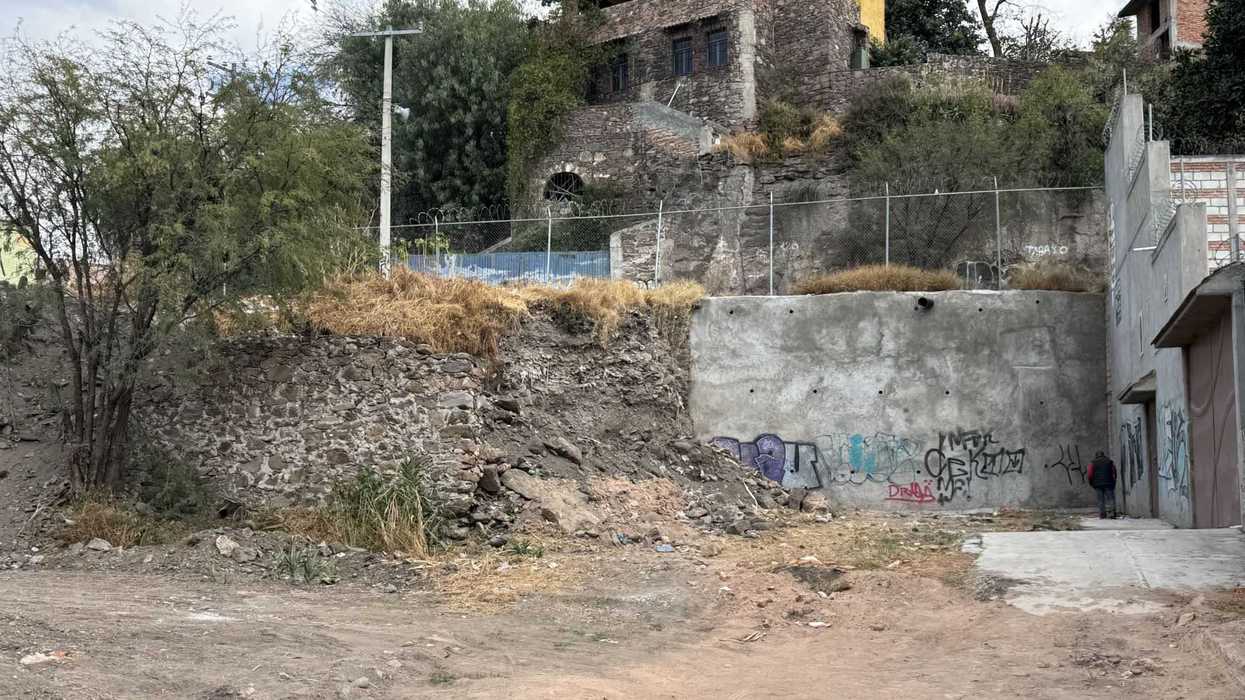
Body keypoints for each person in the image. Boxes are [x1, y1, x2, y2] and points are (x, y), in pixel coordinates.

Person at [1087, 451, 1118, 519]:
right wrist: (1114, 480)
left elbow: (1089, 474)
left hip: (1097, 484)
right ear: (1103, 455)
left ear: (1096, 456)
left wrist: (1091, 482)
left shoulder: (1093, 463)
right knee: (1110, 499)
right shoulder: (1110, 462)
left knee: (1101, 500)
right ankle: (1112, 514)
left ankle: (1102, 514)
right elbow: (1114, 472)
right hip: (1109, 483)